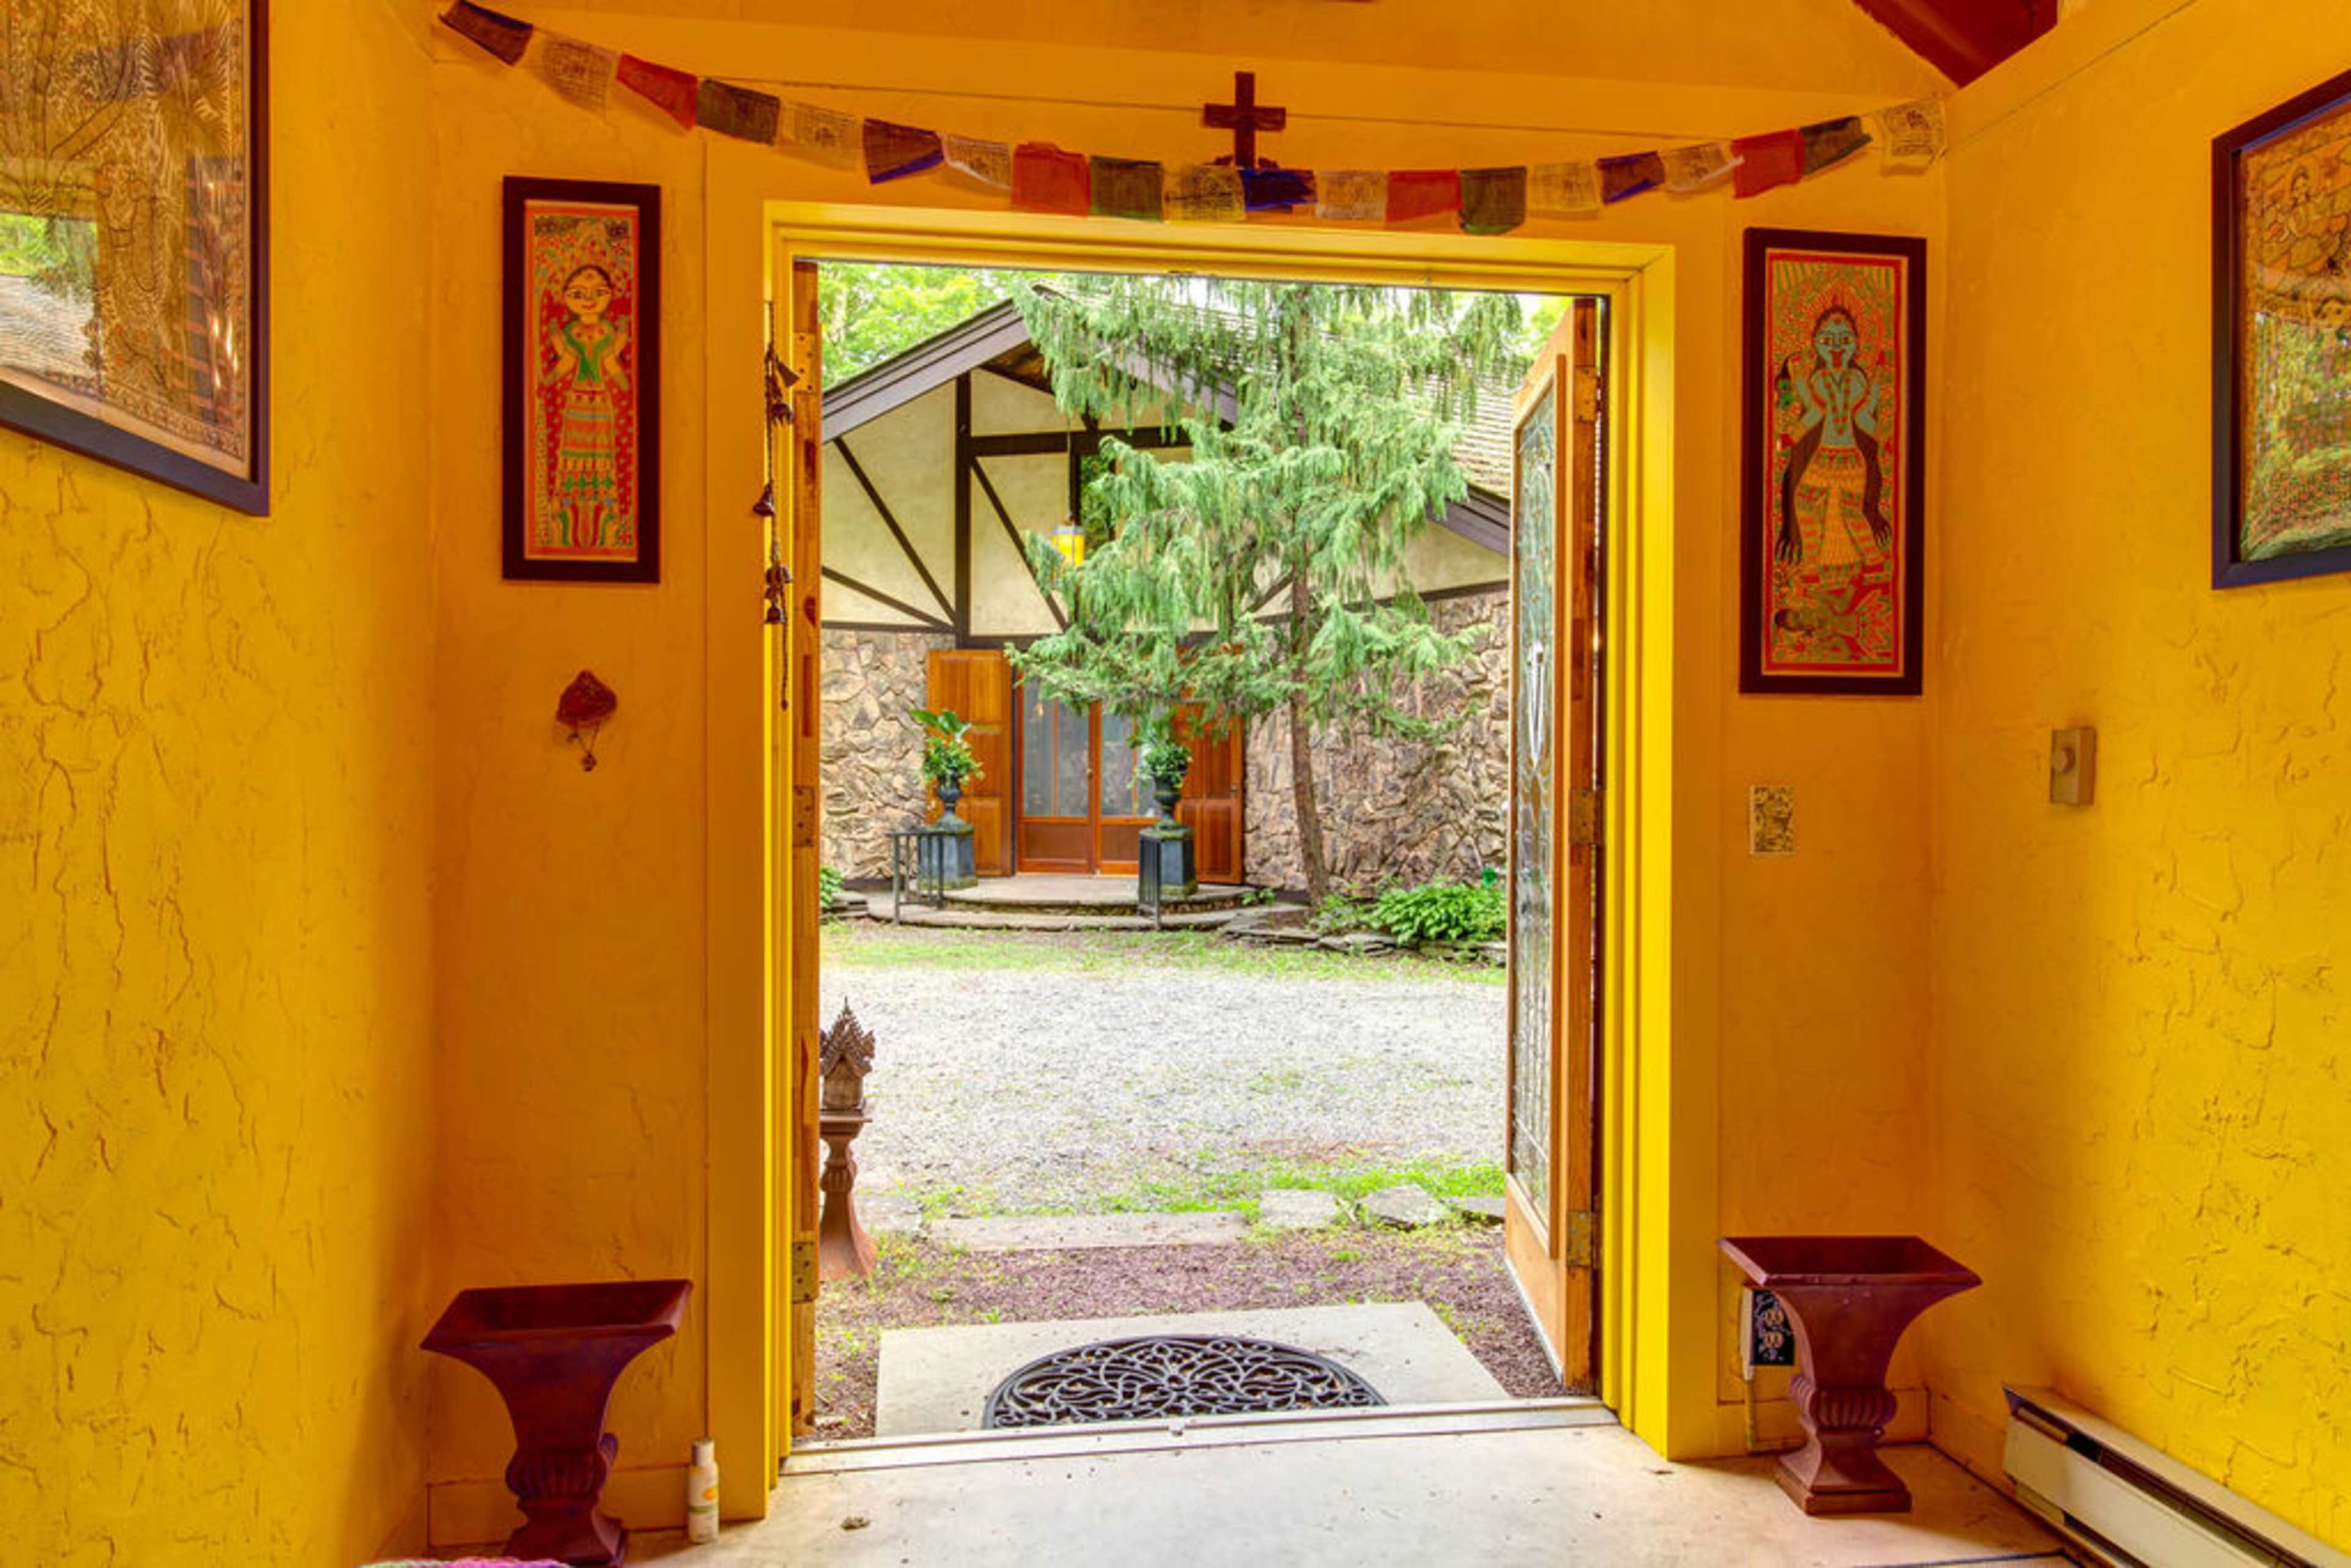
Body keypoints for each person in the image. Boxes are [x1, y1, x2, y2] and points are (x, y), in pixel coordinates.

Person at [1775, 304, 1890, 577]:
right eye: (1827, 340)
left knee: (1845, 511)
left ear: (1856, 345)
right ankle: (1820, 566)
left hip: (1847, 459)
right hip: (1827, 457)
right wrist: (1791, 437)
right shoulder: (1820, 379)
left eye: (1845, 340)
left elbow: (1862, 419)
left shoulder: (1857, 381)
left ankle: (1870, 563)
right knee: (1806, 503)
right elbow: (1814, 412)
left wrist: (1884, 437)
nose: (1837, 347)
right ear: (1816, 344)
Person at [547, 263, 630, 550]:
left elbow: (610, 361)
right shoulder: (571, 331)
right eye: (579, 293)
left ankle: (604, 528)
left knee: (601, 465)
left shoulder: (607, 330)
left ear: (609, 295)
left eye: (598, 292)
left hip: (600, 400)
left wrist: (626, 387)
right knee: (573, 463)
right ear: (568, 297)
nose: (589, 298)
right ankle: (567, 530)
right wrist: (546, 380)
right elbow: (567, 361)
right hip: (577, 401)